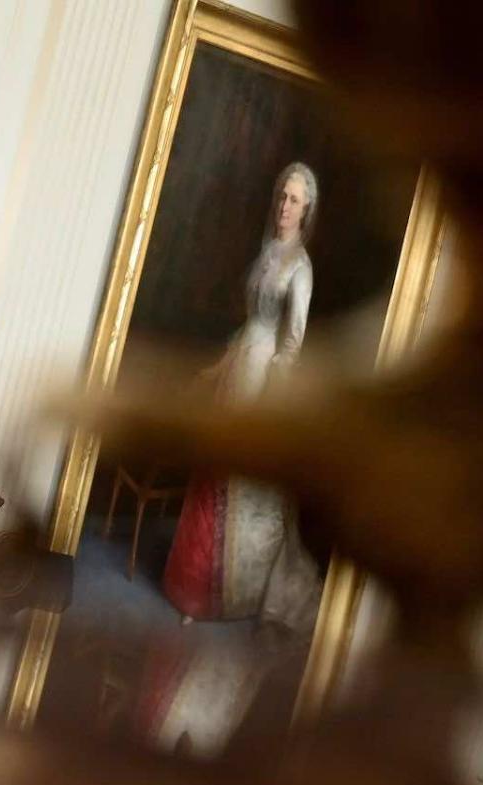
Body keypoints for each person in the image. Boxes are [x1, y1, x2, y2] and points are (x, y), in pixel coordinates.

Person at [162, 163, 320, 623]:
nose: (284, 206)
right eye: (281, 196)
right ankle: (189, 588)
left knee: (238, 483)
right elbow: (249, 320)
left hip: (261, 377)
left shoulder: (301, 268)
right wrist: (218, 368)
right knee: (210, 475)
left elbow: (293, 341)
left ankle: (227, 597)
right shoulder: (268, 250)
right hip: (238, 364)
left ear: (306, 208)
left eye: (293, 200)